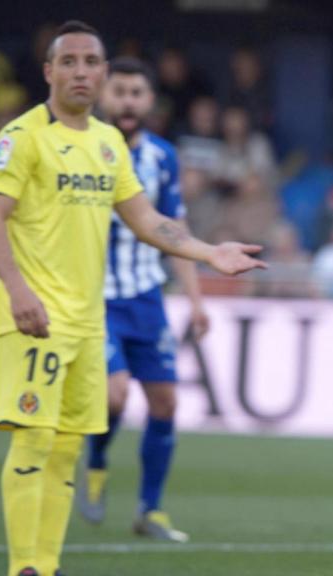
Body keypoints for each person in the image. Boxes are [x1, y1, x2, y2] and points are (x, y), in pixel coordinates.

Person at [0, 21, 265, 576]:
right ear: (49, 71)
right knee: (34, 440)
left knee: (65, 449)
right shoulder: (22, 137)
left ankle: (47, 564)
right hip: (36, 314)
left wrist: (209, 253)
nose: (81, 71)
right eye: (69, 62)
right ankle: (22, 568)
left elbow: (149, 220)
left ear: (103, 74)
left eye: (91, 62)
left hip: (89, 321)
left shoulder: (108, 144)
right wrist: (16, 290)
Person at [74, 57, 206, 542]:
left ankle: (150, 510)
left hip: (146, 295)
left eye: (136, 93)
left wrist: (194, 300)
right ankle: (97, 458)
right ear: (104, 96)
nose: (127, 101)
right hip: (93, 298)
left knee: (166, 402)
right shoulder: (82, 148)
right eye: (119, 91)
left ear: (150, 102)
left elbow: (175, 230)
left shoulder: (162, 157)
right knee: (115, 392)